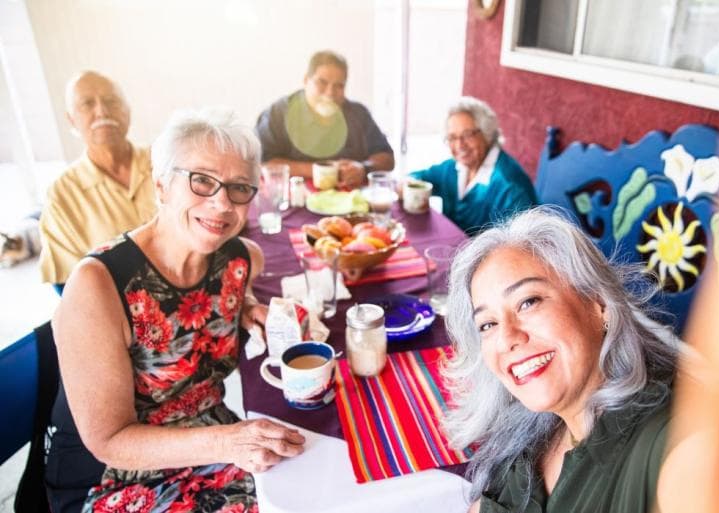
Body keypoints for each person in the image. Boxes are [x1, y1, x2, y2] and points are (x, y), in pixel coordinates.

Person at [46, 107, 305, 513]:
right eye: (201, 180)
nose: (221, 203)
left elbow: (226, 293)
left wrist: (246, 306)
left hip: (216, 442)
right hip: (115, 476)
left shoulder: (240, 261)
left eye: (239, 188)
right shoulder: (97, 285)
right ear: (162, 185)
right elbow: (108, 440)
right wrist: (228, 441)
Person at [442, 207, 684, 513]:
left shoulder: (672, 447)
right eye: (488, 324)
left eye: (528, 302)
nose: (507, 338)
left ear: (599, 304)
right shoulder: (532, 429)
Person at [38, 70, 157, 288]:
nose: (102, 111)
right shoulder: (62, 193)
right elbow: (67, 284)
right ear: (71, 119)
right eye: (87, 104)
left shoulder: (164, 161)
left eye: (111, 101)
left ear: (127, 110)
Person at [256, 50, 394, 189]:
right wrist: (323, 170)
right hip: (295, 200)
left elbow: (387, 158)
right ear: (306, 80)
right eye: (322, 82)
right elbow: (262, 163)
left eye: (339, 86)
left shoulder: (358, 114)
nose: (330, 93)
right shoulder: (278, 113)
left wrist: (363, 168)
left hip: (350, 202)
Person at [409, 97, 536, 234]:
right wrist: (410, 188)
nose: (459, 145)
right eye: (452, 137)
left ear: (487, 133)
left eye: (468, 135)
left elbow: (523, 243)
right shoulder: (455, 167)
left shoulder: (509, 186)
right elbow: (418, 177)